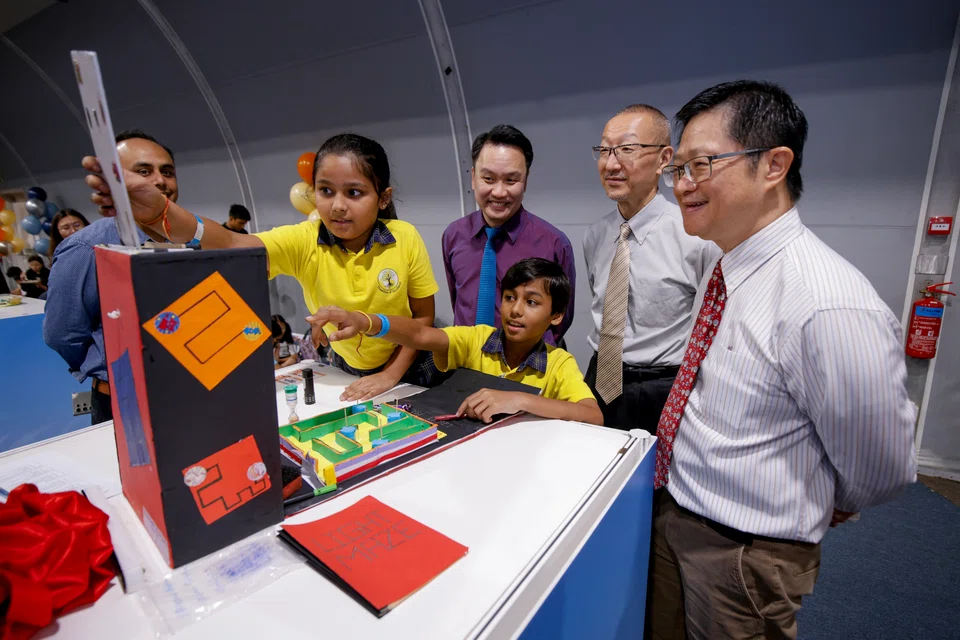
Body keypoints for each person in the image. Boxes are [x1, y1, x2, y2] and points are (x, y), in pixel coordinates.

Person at [648, 80, 917, 640]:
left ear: (774, 165)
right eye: (678, 168)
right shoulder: (725, 265)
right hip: (677, 510)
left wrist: (819, 496)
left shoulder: (825, 302)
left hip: (743, 552)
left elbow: (881, 466)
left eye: (701, 164)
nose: (682, 184)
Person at [83, 133, 441, 402]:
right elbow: (229, 243)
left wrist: (390, 375)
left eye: (355, 193)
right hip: (347, 370)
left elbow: (423, 316)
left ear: (384, 198)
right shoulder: (304, 240)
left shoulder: (405, 237)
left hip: (411, 364)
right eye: (326, 191)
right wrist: (159, 212)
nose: (338, 206)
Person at [310, 258, 602, 425]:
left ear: (556, 315)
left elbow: (593, 415)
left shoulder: (558, 363)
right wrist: (367, 322)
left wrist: (520, 398)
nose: (515, 310)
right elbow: (420, 334)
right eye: (510, 297)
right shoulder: (476, 339)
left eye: (532, 302)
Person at [583, 104, 720, 433]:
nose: (611, 163)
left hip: (662, 387)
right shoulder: (596, 235)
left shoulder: (695, 237)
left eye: (627, 149)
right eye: (604, 150)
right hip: (599, 378)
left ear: (663, 159)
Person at [45, 129, 178, 425]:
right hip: (123, 399)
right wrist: (107, 364)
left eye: (167, 172)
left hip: (185, 391)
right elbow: (62, 333)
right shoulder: (86, 247)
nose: (160, 180)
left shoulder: (189, 239)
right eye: (143, 171)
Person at [442, 125, 576, 346]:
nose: (499, 192)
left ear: (526, 180)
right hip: (466, 359)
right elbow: (458, 301)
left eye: (511, 180)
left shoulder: (553, 243)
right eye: (488, 179)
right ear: (473, 177)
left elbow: (561, 318)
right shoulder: (454, 235)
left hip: (526, 362)